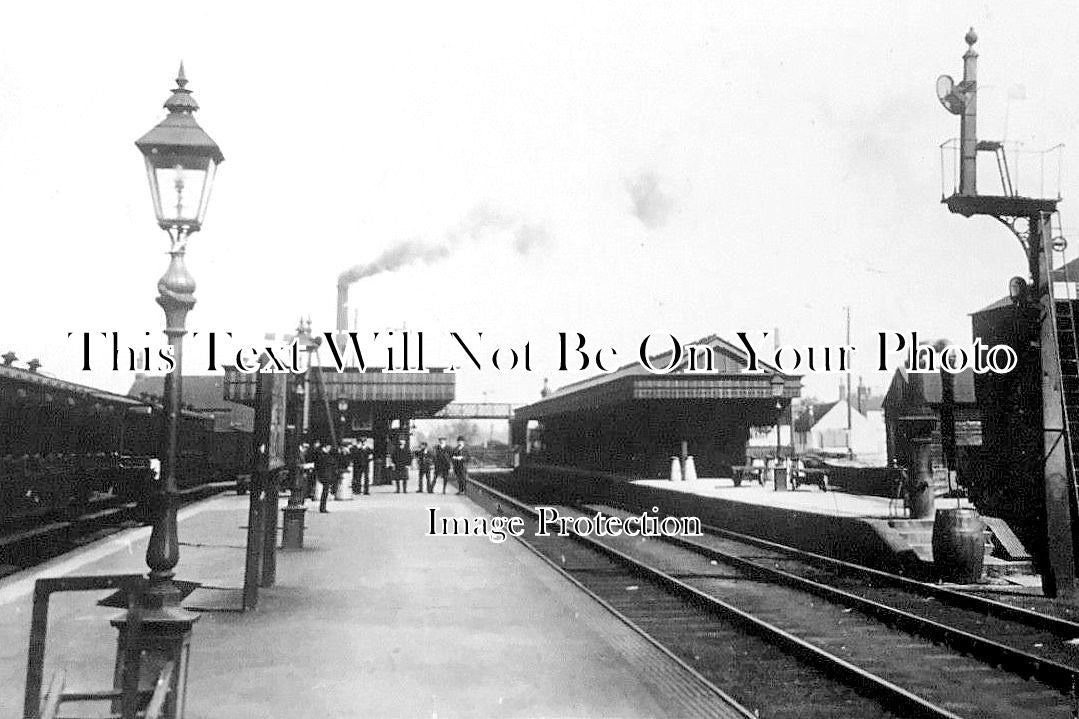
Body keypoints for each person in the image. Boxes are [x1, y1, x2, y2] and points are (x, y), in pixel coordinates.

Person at [316, 443, 337, 513]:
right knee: (325, 492)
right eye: (329, 447)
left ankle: (323, 507)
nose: (330, 448)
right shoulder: (322, 454)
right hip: (324, 475)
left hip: (326, 475)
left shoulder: (325, 454)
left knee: (325, 492)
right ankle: (322, 508)